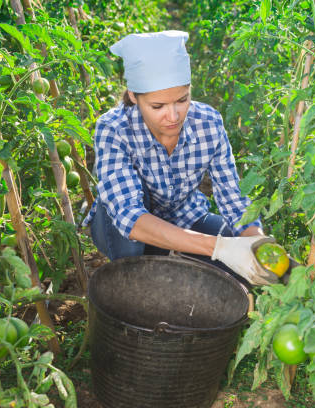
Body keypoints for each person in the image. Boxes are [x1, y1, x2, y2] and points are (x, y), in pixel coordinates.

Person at [81, 31, 278, 286]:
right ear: (133, 96)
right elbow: (128, 215)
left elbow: (233, 198)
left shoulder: (208, 123)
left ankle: (167, 257)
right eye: (158, 107)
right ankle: (134, 275)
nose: (173, 116)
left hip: (186, 216)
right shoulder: (114, 128)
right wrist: (219, 248)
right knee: (133, 247)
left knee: (236, 264)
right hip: (125, 230)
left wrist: (255, 245)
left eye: (182, 100)